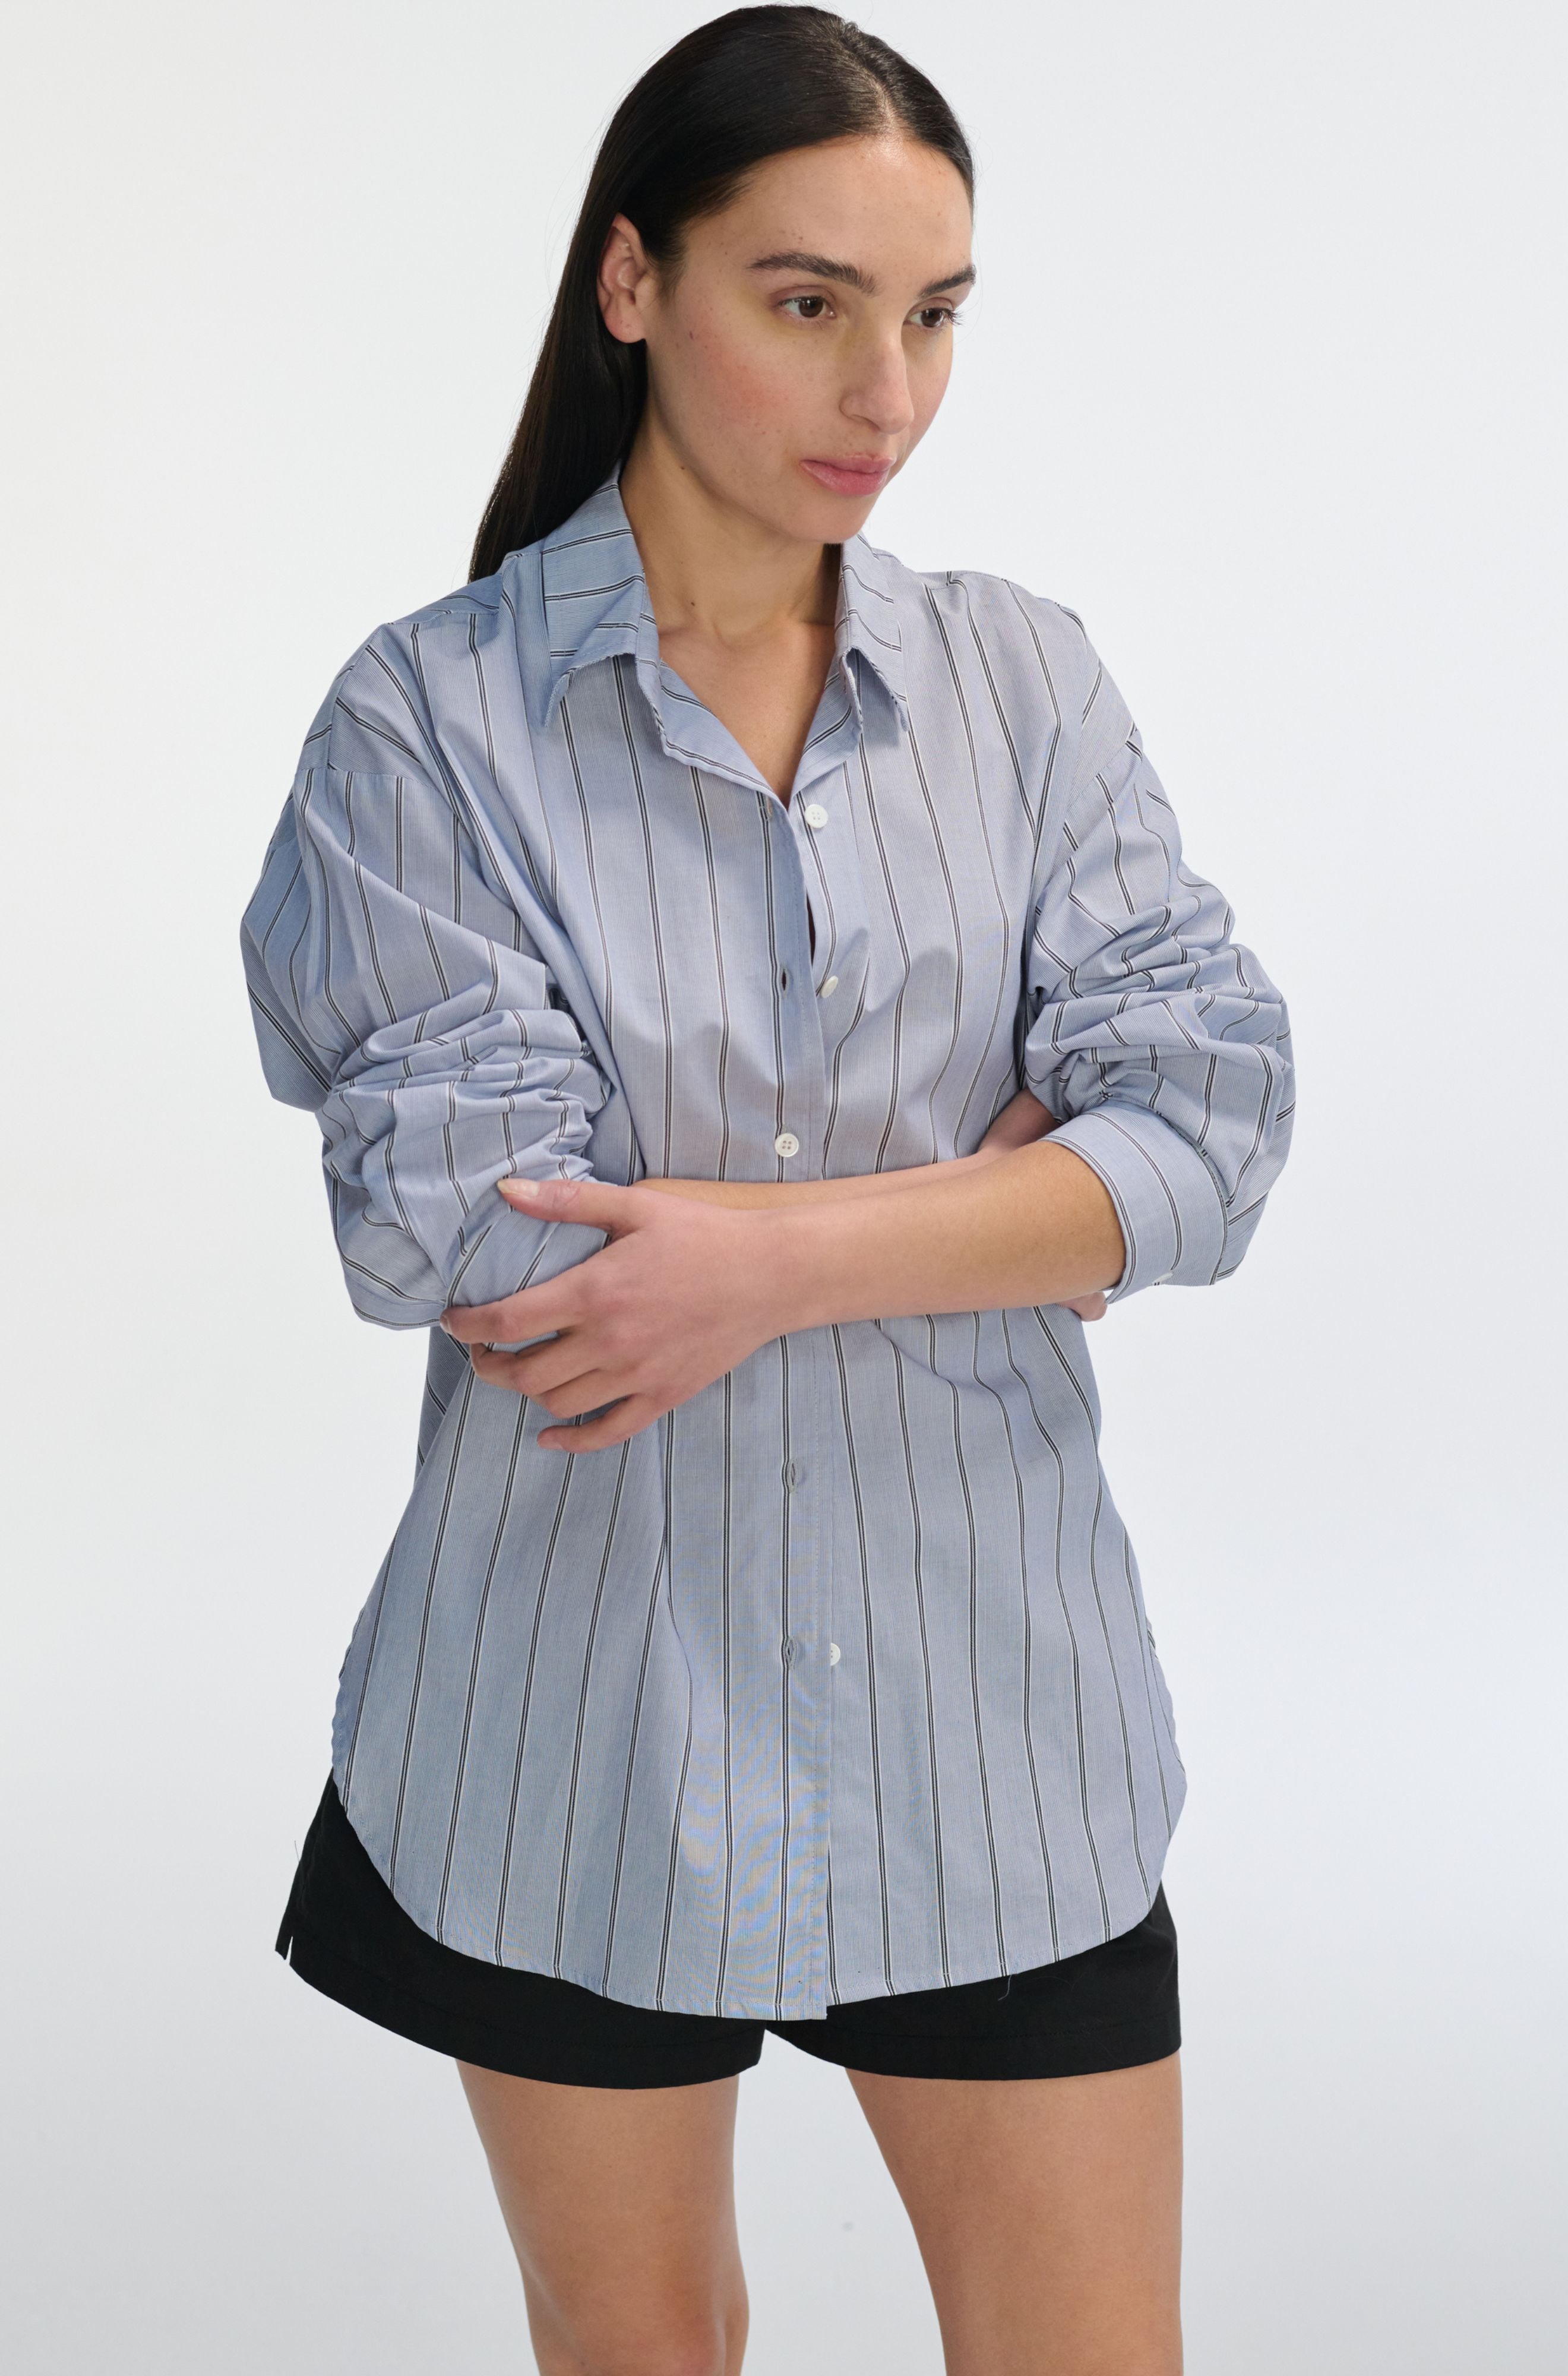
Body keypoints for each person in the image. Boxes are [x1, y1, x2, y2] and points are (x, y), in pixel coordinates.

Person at [240, 8, 1293, 2371]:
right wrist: (1008, 1208)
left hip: (993, 1723)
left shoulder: (1027, 687)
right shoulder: (426, 726)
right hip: (572, 1731)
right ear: (634, 282)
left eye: (933, 314)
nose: (885, 388)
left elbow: (1212, 1113)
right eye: (805, 297)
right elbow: (490, 1251)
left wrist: (763, 1251)